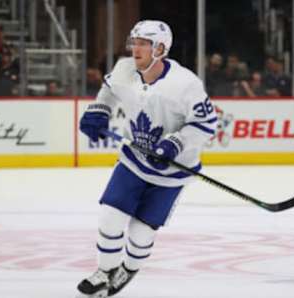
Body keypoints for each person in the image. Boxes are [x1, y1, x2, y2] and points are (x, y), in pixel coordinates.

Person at [77, 20, 217, 298]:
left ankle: (127, 269)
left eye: (143, 43)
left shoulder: (185, 84)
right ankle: (104, 271)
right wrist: (99, 110)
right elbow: (108, 90)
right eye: (134, 42)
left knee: (141, 234)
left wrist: (176, 142)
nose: (135, 48)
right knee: (110, 216)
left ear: (161, 48)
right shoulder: (124, 69)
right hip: (134, 160)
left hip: (173, 172)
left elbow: (206, 124)